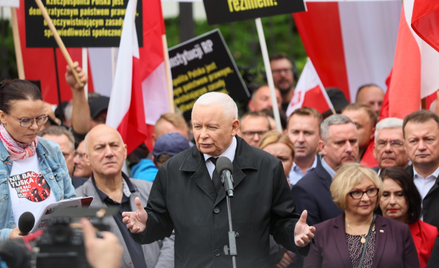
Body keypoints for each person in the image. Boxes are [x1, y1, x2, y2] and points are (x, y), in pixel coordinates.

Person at [122, 92, 315, 268]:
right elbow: (161, 221)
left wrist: (294, 233)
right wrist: (146, 224)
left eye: (212, 127)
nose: (202, 134)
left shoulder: (267, 166)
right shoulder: (173, 169)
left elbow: (281, 221)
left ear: (234, 127)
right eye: (197, 126)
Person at [75, 124, 174, 268]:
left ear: (125, 150)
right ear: (86, 157)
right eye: (100, 147)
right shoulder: (78, 204)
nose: (109, 153)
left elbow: (172, 233)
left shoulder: (151, 189)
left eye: (114, 145)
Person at [0, 79, 76, 241]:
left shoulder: (51, 149)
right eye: (25, 120)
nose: (35, 127)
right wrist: (7, 236)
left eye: (40, 118)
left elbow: (71, 201)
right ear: (2, 116)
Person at [304, 163, 419, 268]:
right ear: (342, 195)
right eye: (357, 192)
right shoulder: (320, 233)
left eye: (370, 191)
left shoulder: (399, 231)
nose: (366, 198)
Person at [292, 114, 359, 226]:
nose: (349, 149)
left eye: (353, 141)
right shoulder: (305, 189)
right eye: (340, 143)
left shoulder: (369, 180)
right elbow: (312, 240)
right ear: (323, 147)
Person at [377, 167, 438, 268]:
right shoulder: (365, 231)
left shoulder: (429, 233)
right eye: (385, 195)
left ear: (410, 197)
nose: (392, 201)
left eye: (399, 194)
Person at [403, 110, 439, 229]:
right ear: (405, 146)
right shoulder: (397, 182)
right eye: (413, 141)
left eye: (428, 139)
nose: (421, 147)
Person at [285, 107, 322, 186]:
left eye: (308, 133)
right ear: (286, 134)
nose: (301, 140)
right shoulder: (276, 170)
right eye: (295, 132)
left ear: (320, 137)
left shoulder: (330, 171)